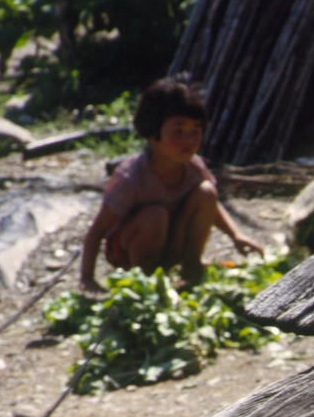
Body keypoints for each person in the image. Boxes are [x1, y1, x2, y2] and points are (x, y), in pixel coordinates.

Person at [79, 79, 262, 293]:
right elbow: (97, 231)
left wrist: (236, 235)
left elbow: (212, 205)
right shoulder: (132, 177)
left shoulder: (194, 167)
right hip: (130, 249)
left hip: (171, 243)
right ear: (153, 134)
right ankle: (144, 283)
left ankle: (191, 267)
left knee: (206, 192)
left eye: (195, 131)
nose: (189, 139)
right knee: (155, 215)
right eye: (178, 131)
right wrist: (88, 279)